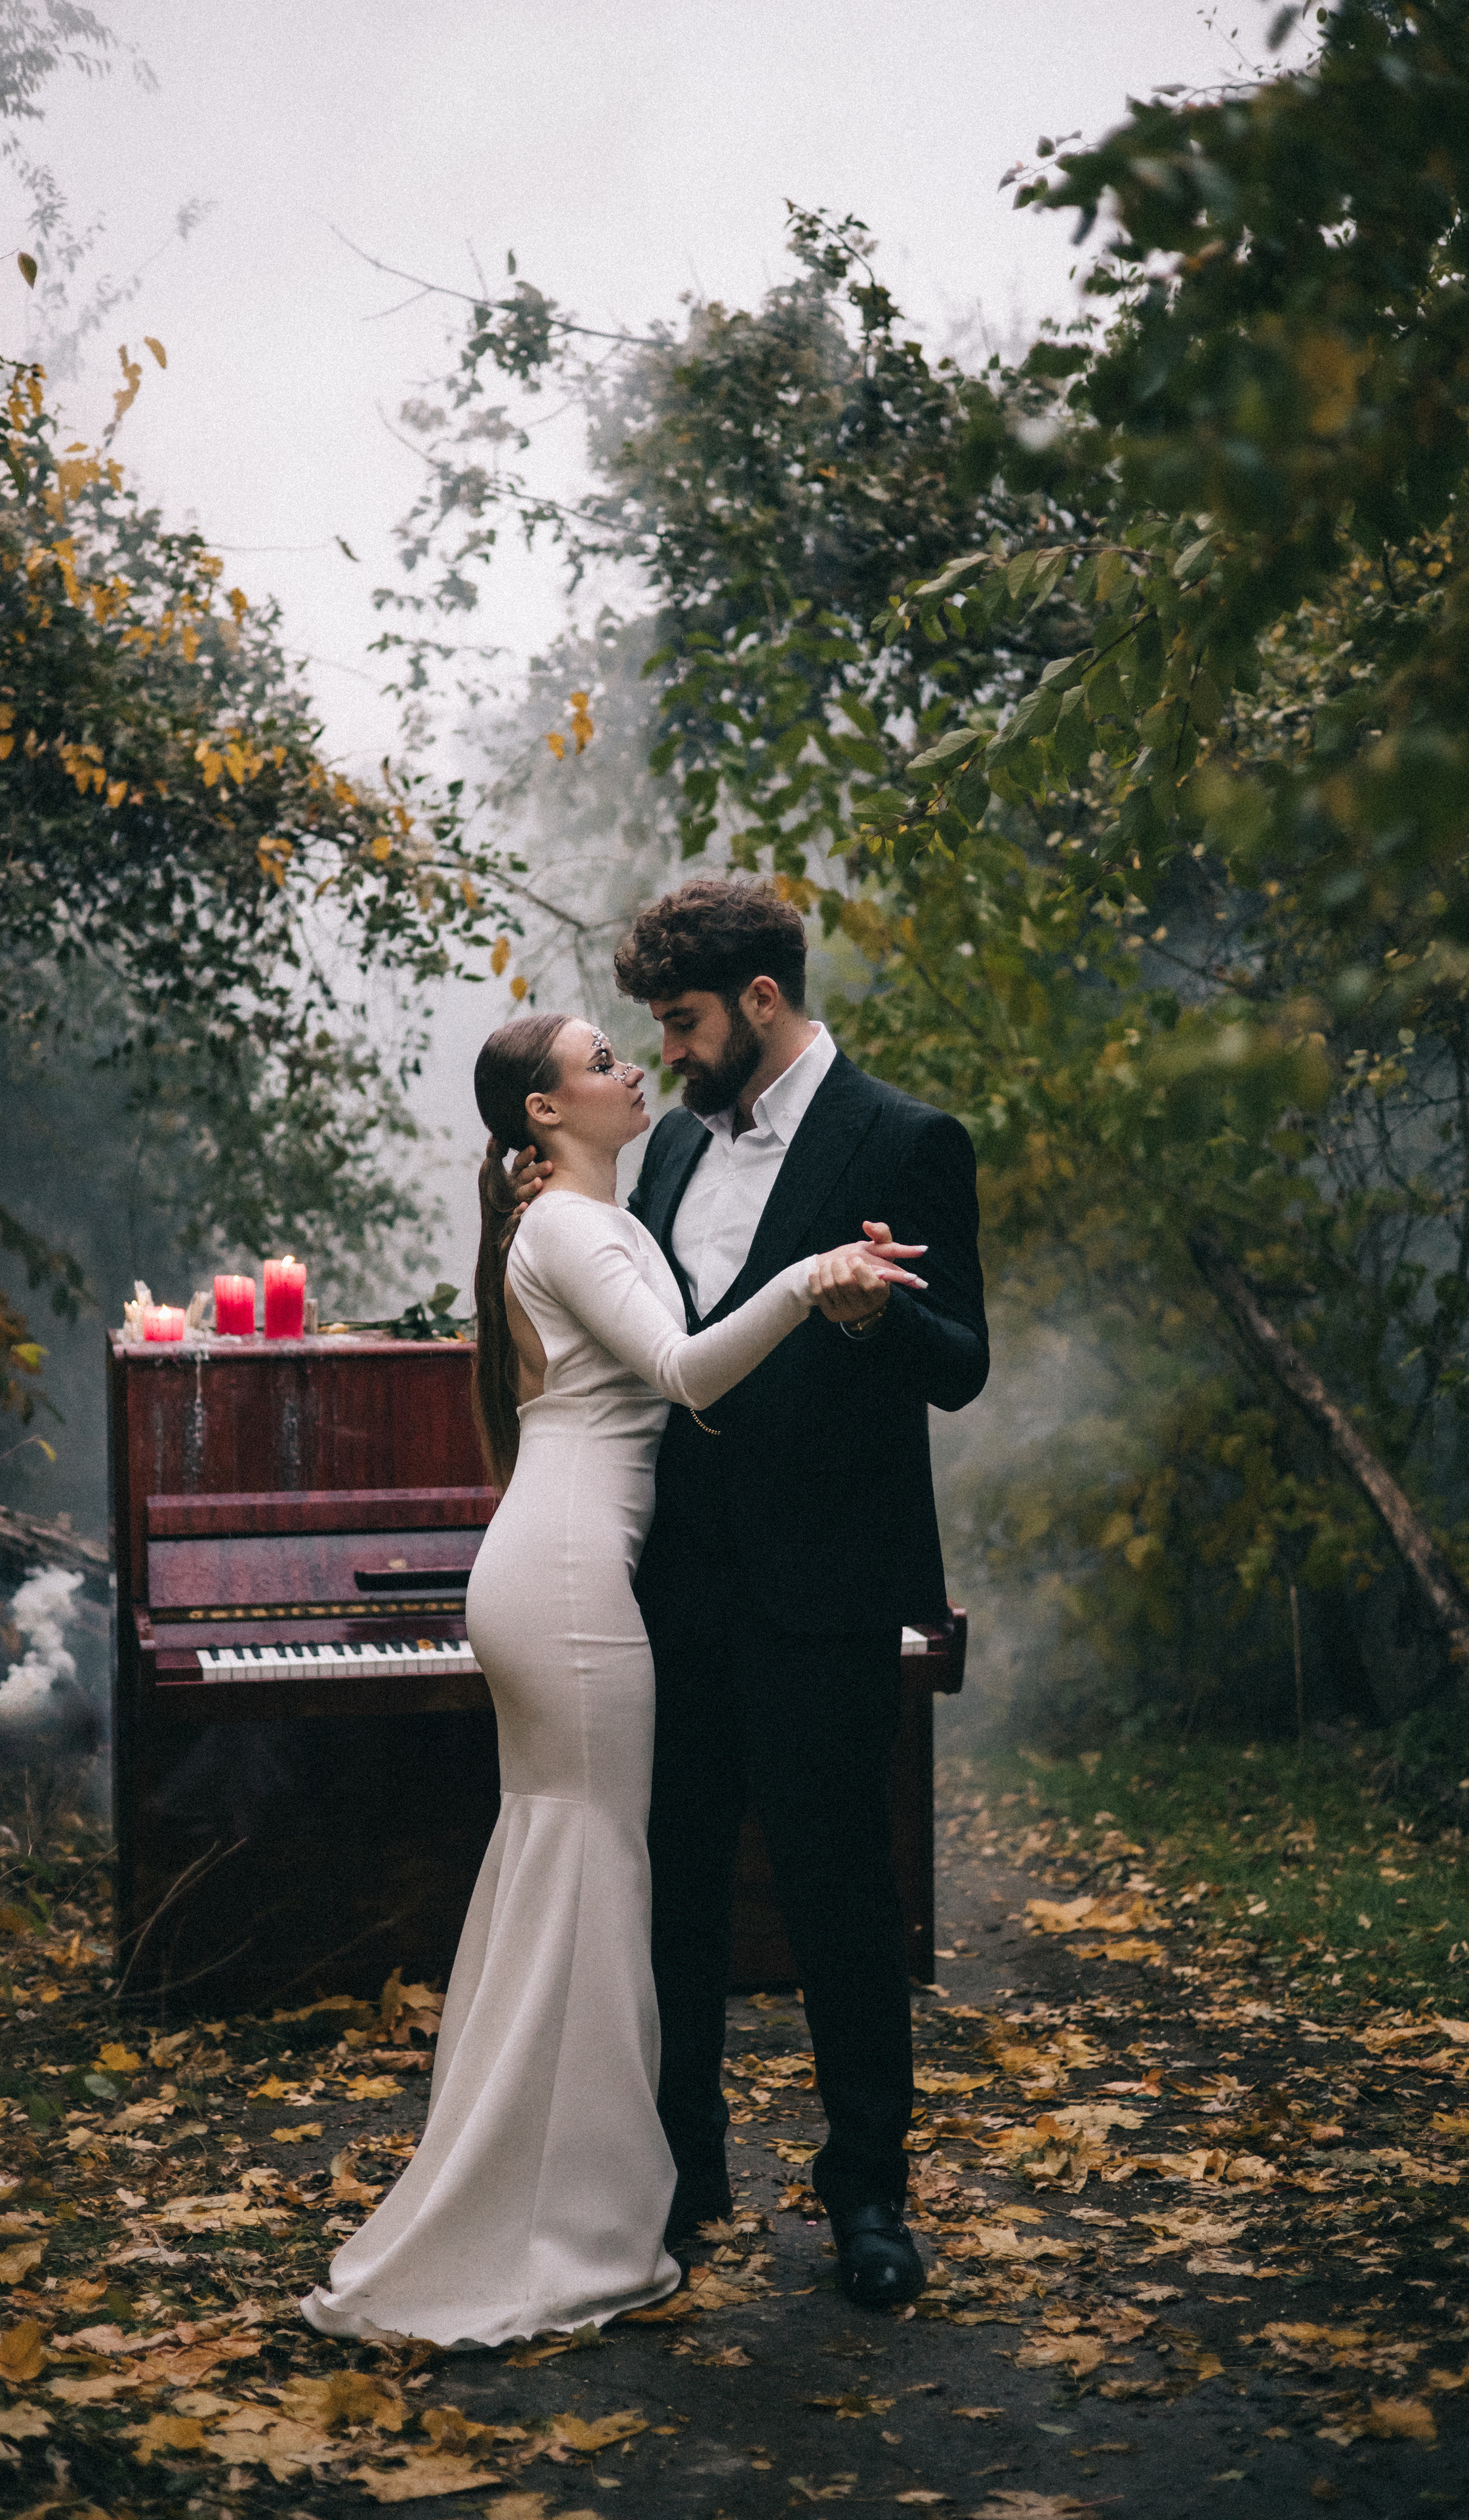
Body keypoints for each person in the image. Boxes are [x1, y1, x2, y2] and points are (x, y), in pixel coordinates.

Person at [299, 1009, 924, 2350]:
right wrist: (815, 1275)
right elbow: (690, 1373)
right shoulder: (573, 1231)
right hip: (573, 1587)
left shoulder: (593, 1216)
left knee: (570, 1878)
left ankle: (569, 2195)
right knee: (593, 1880)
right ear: (540, 1112)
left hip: (563, 1572)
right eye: (597, 1062)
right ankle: (567, 2219)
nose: (629, 1069)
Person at [516, 878, 988, 2311]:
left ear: (762, 1003)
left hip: (826, 1587)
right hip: (669, 1589)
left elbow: (959, 1361)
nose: (663, 1054)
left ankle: (866, 2200)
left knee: (842, 1897)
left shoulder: (905, 1139)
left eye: (682, 1022)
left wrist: (875, 1309)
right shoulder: (658, 1154)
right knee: (671, 1892)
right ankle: (683, 2180)